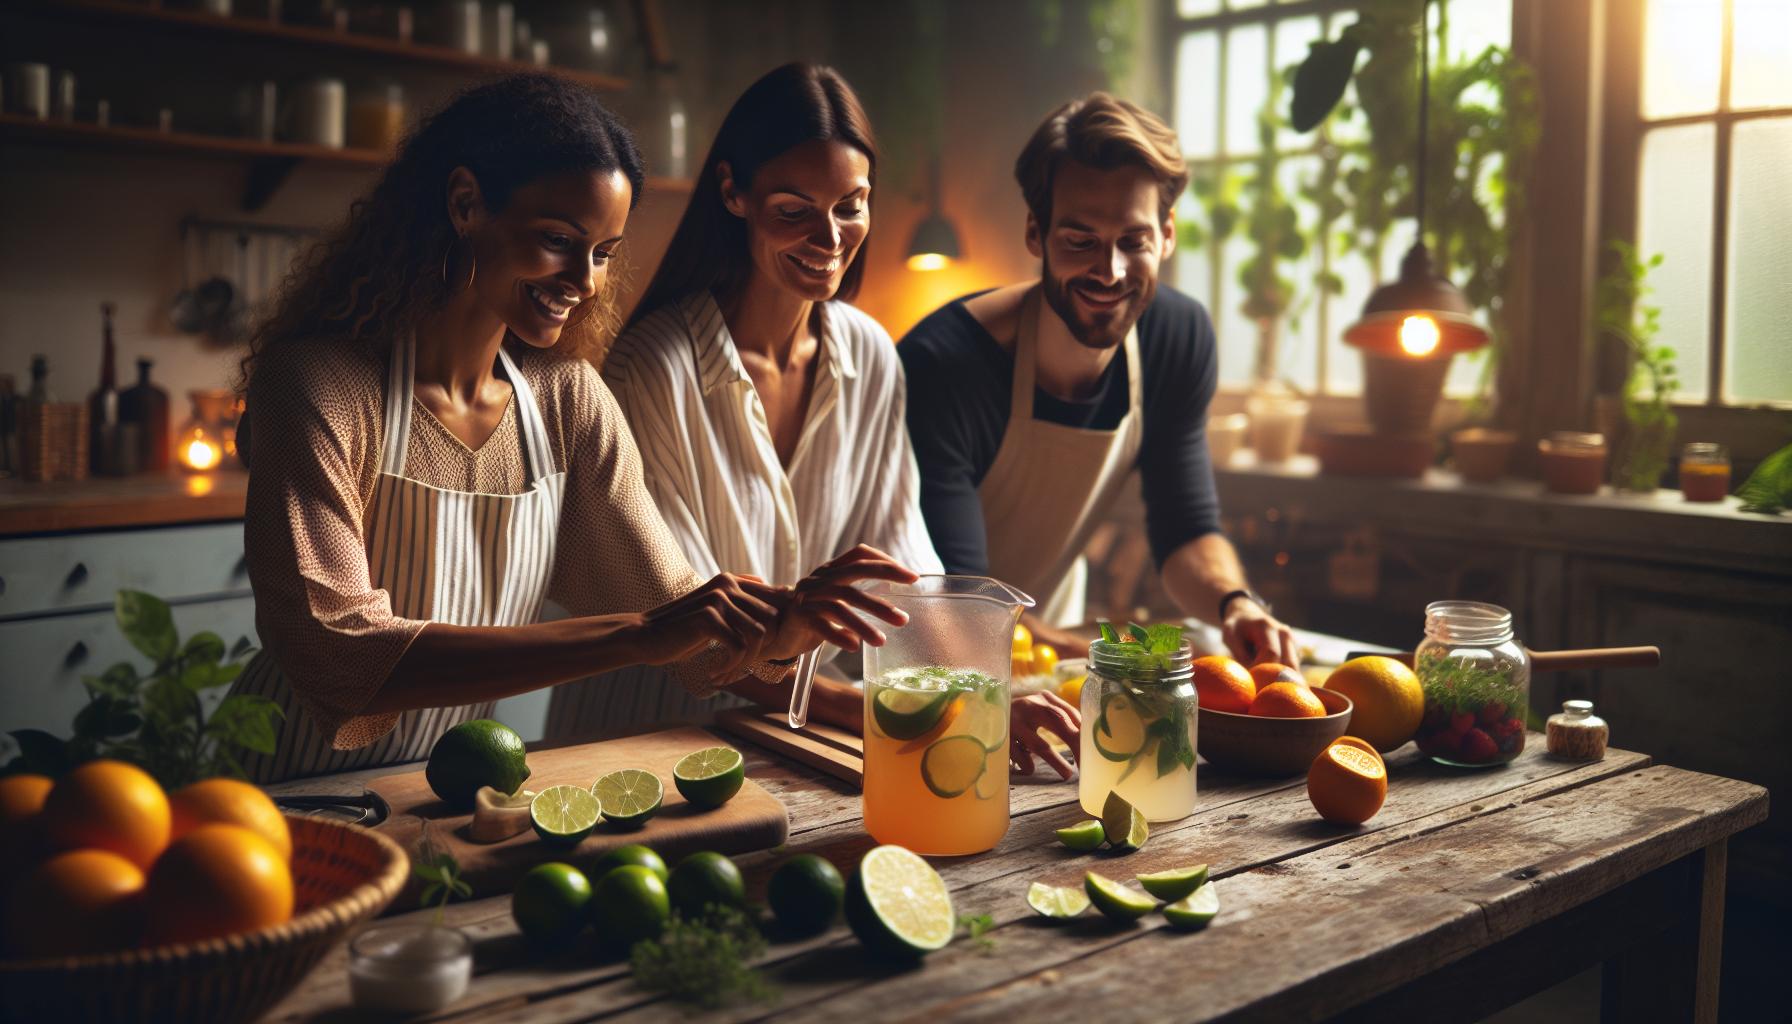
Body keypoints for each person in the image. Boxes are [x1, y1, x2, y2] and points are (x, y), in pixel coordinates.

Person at [229, 75, 912, 783]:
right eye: (559, 240)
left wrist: (782, 626)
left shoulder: (566, 400)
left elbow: (674, 615)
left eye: (604, 252)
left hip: (449, 789)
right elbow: (339, 653)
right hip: (284, 794)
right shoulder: (318, 388)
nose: (584, 281)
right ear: (466, 203)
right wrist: (645, 635)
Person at [548, 64, 1079, 777]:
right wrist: (938, 712)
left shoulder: (871, 356)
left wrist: (986, 696)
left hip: (790, 751)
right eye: (795, 209)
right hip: (647, 748)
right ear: (734, 193)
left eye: (851, 205)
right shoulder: (654, 370)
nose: (829, 237)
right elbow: (696, 642)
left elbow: (910, 586)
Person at [899, 92, 1299, 669]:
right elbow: (959, 597)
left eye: (1132, 242)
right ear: (1036, 234)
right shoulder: (944, 366)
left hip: (1046, 654)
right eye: (1080, 241)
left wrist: (1236, 604)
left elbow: (1185, 527)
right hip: (928, 660)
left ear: (1166, 235)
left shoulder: (1176, 338)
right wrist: (1121, 649)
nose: (1108, 272)